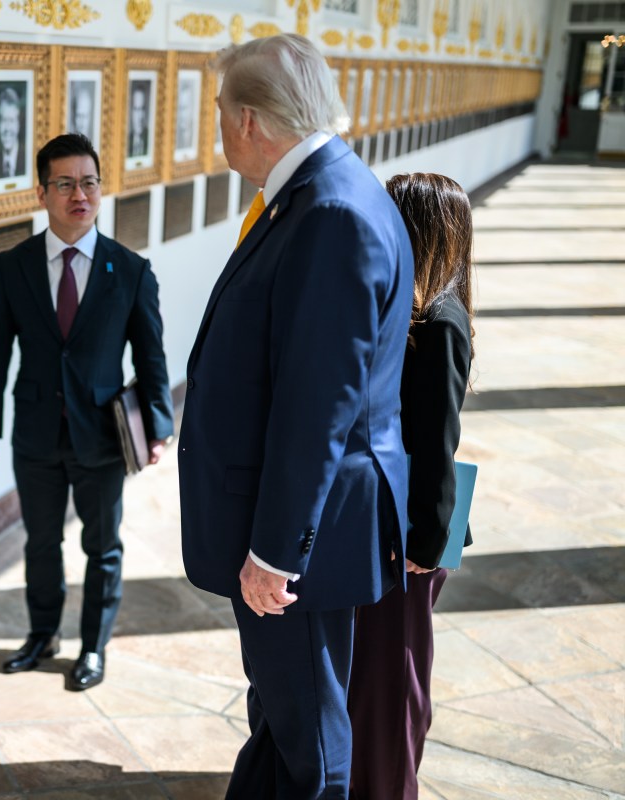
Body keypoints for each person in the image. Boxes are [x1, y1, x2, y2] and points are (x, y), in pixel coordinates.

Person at [179, 33, 413, 798]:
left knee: (312, 739)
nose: (216, 128)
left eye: (218, 112)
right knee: (281, 714)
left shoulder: (330, 212)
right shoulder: (317, 194)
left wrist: (279, 552)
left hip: (301, 545)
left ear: (248, 119)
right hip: (297, 526)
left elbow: (320, 404)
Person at [0, 133, 174, 692]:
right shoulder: (12, 267)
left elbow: (151, 354)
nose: (79, 194)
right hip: (34, 433)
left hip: (104, 436)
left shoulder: (130, 270)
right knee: (40, 543)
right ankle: (41, 635)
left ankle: (92, 647)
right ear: (42, 192)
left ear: (99, 190)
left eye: (88, 182)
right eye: (65, 184)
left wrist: (158, 426)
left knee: (102, 546)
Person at [348, 173, 475, 800]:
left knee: (395, 682)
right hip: (392, 525)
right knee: (377, 676)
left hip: (412, 538)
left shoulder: (439, 322)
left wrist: (425, 544)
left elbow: (435, 446)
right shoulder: (411, 311)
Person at [0, 86, 26, 179]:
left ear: (18, 124)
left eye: (11, 120)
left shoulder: (28, 159)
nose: (7, 129)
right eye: (3, 120)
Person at [127, 84, 149, 158]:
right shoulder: (126, 142)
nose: (140, 116)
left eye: (142, 109)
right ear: (130, 112)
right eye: (136, 109)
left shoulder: (150, 140)